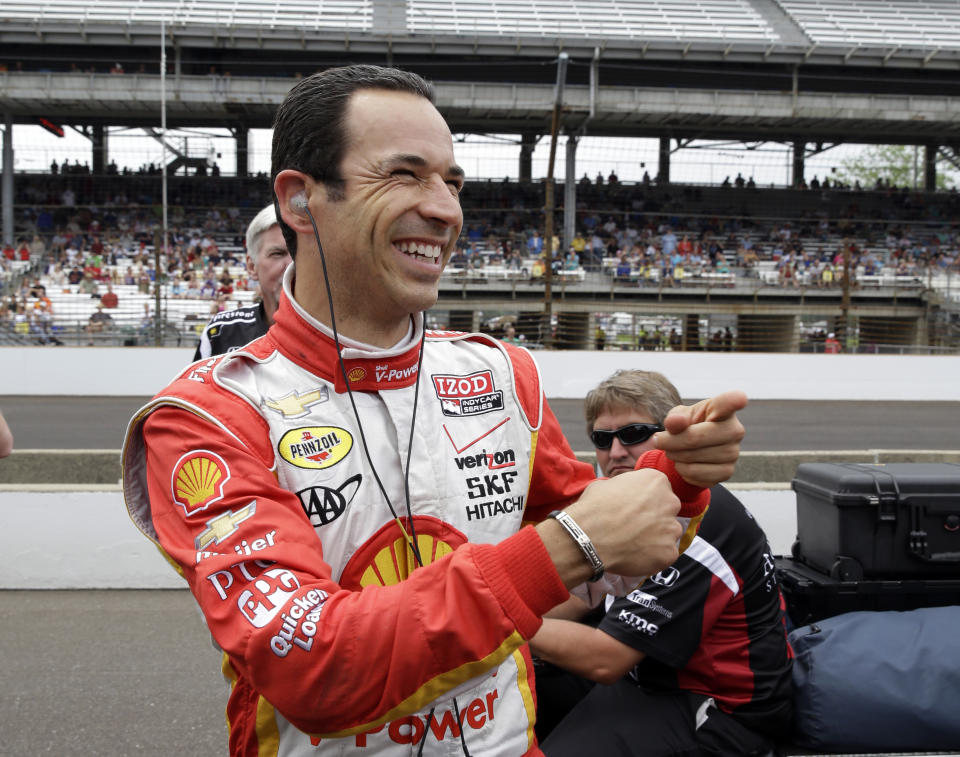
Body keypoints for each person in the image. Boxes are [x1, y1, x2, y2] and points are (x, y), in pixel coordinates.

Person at [121, 65, 746, 756]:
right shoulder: (207, 413)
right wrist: (566, 546)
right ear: (300, 202)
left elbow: (615, 561)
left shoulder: (502, 374)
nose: (446, 210)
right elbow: (311, 667)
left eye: (451, 182)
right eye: (404, 174)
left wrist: (676, 478)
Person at [532, 370, 793, 757]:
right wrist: (513, 606)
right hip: (651, 677)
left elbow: (606, 659)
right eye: (603, 439)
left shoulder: (701, 521)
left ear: (674, 437)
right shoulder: (629, 504)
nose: (616, 451)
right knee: (512, 688)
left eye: (634, 433)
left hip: (722, 711)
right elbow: (580, 595)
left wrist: (495, 619)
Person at [193, 204, 292, 360]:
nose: (291, 265)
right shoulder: (220, 332)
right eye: (277, 253)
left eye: (301, 253)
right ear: (252, 266)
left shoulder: (340, 334)